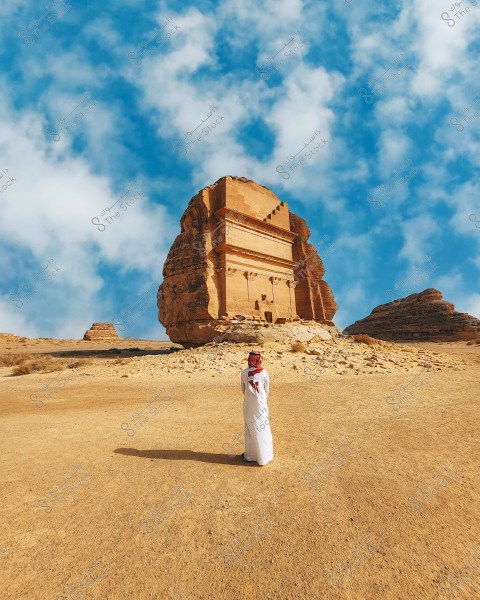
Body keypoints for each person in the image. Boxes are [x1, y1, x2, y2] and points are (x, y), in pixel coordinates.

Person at [240, 351, 273, 466]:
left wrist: (251, 397)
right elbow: (266, 389)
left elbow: (243, 390)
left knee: (250, 427)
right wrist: (261, 399)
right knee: (262, 426)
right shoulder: (264, 372)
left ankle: (250, 456)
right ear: (259, 360)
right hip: (261, 404)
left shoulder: (244, 373)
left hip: (249, 404)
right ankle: (266, 456)